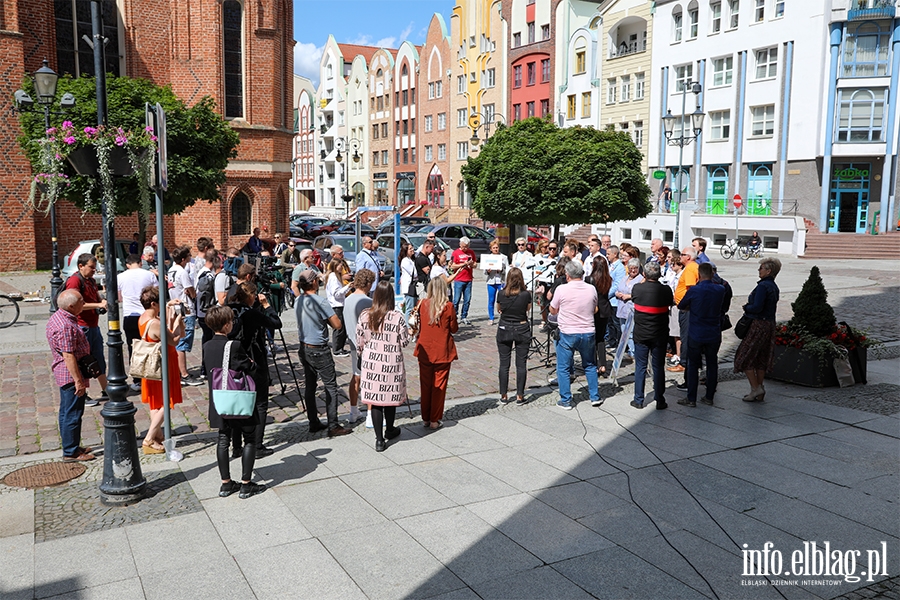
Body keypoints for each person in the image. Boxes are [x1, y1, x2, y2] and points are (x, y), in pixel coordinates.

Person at [202, 305, 266, 499]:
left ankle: (226, 484)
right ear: (227, 325)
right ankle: (246, 484)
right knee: (249, 438)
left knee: (223, 440)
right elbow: (249, 368)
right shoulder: (234, 346)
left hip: (218, 399)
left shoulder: (206, 346)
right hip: (237, 398)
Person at [227, 282, 283, 456]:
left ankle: (236, 447)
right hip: (253, 360)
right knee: (260, 402)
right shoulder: (251, 313)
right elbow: (276, 323)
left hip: (232, 360)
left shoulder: (228, 309)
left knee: (237, 403)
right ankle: (256, 445)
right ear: (252, 296)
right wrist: (266, 305)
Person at [295, 270, 351, 437]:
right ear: (313, 283)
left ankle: (313, 421)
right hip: (319, 348)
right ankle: (333, 424)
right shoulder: (321, 302)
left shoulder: (298, 300)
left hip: (304, 347)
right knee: (331, 386)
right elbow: (337, 325)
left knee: (310, 386)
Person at [357, 281, 412, 451]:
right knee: (388, 398)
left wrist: (362, 353)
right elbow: (404, 342)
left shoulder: (365, 315)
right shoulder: (396, 317)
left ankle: (379, 440)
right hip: (391, 362)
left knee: (376, 400)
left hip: (372, 362)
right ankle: (390, 429)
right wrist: (411, 331)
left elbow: (360, 340)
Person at [46, 289, 96, 462]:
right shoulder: (66, 326)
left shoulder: (59, 317)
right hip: (69, 374)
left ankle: (71, 444)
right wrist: (78, 381)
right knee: (73, 413)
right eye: (81, 301)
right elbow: (68, 355)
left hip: (64, 372)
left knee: (66, 412)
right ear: (71, 306)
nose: (84, 303)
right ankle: (71, 452)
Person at [138, 285, 185, 454]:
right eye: (160, 302)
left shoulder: (143, 317)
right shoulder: (156, 323)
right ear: (152, 304)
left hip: (151, 365)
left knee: (155, 402)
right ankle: (149, 438)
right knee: (166, 400)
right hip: (163, 363)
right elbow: (173, 341)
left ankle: (157, 436)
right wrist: (179, 324)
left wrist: (169, 312)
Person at [549, 261, 601, 410]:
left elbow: (553, 310)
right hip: (588, 331)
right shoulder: (591, 288)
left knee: (563, 367)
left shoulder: (561, 289)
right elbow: (595, 308)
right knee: (590, 365)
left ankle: (566, 400)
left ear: (567, 275)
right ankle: (595, 396)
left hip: (568, 332)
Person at [678, 262, 726, 407]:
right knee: (712, 364)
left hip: (697, 331)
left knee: (693, 364)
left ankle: (691, 398)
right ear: (712, 274)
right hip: (713, 331)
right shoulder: (720, 289)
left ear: (699, 274)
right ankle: (709, 396)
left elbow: (681, 305)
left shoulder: (695, 290)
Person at [734, 257, 782, 403]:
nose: (759, 270)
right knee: (761, 357)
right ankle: (759, 390)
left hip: (759, 324)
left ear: (769, 271)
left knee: (744, 356)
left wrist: (746, 307)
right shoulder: (773, 286)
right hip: (769, 324)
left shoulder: (763, 286)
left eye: (761, 268)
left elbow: (757, 307)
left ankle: (756, 388)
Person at [63, 253, 109, 405]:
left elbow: (96, 296)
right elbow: (75, 305)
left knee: (98, 358)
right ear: (81, 266)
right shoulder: (75, 281)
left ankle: (106, 389)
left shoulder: (90, 280)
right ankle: (83, 393)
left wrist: (101, 300)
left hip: (93, 326)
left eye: (95, 268)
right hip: (82, 326)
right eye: (91, 268)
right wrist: (98, 305)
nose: (94, 271)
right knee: (83, 361)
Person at [414, 278, 458, 428]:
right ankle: (434, 419)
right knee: (439, 386)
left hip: (425, 349)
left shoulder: (422, 304)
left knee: (425, 385)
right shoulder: (448, 306)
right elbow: (454, 328)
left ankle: (425, 418)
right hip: (442, 350)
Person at [630, 262, 674, 410]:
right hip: (660, 334)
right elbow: (671, 302)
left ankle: (638, 399)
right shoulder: (666, 290)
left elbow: (634, 298)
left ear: (645, 274)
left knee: (640, 366)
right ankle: (660, 399)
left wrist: (643, 279)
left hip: (641, 334)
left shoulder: (637, 288)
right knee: (658, 367)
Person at [118, 254, 158, 392]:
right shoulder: (149, 275)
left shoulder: (121, 277)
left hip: (130, 315)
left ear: (128, 264)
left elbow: (119, 297)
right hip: (147, 314)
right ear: (140, 262)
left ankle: (137, 379)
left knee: (133, 348)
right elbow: (156, 293)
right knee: (151, 345)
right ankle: (152, 374)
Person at [168, 246, 203, 386]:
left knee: (178, 340)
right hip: (186, 308)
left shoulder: (171, 270)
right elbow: (190, 290)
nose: (190, 258)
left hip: (176, 308)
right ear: (183, 259)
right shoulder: (182, 272)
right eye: (188, 256)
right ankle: (184, 374)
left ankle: (178, 370)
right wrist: (193, 293)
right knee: (182, 342)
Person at [495, 268, 531, 405]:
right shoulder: (526, 294)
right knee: (521, 363)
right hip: (521, 327)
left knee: (504, 363)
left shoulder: (502, 293)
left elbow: (499, 309)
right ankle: (520, 396)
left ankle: (503, 395)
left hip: (505, 327)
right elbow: (527, 309)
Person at [344, 269, 375, 423]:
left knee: (356, 377)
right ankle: (370, 413)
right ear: (368, 283)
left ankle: (353, 410)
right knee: (369, 378)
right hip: (367, 344)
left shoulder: (348, 299)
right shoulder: (367, 302)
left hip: (352, 342)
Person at [670, 247, 700, 380]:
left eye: (682, 255)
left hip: (686, 309)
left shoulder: (689, 269)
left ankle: (684, 363)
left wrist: (683, 305)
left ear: (688, 257)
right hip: (686, 308)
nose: (680, 257)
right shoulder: (692, 267)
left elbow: (690, 290)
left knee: (685, 336)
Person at [325, 245, 353, 356]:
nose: (342, 267)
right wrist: (348, 287)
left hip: (341, 304)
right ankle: (336, 349)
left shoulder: (336, 276)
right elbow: (336, 293)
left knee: (343, 328)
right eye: (340, 265)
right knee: (339, 328)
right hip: (336, 305)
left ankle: (340, 348)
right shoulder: (333, 277)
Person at [614, 258, 644, 360]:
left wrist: (629, 296)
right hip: (622, 308)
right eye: (631, 268)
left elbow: (640, 293)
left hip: (631, 309)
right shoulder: (624, 278)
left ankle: (633, 352)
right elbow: (618, 289)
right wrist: (617, 294)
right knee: (624, 332)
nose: (633, 270)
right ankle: (628, 350)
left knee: (631, 332)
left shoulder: (641, 279)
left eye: (635, 268)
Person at [588, 255, 613, 378]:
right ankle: (602, 364)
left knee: (592, 338)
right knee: (601, 338)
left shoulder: (590, 279)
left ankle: (594, 364)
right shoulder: (608, 278)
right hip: (605, 309)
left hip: (594, 310)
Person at [662, 249, 684, 367]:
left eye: (673, 264)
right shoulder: (674, 274)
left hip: (676, 305)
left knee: (677, 332)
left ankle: (679, 355)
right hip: (672, 305)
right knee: (674, 332)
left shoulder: (680, 276)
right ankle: (677, 353)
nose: (671, 266)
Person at [452, 236, 477, 325]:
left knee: (467, 299)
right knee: (456, 300)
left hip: (468, 278)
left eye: (466, 246)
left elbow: (475, 264)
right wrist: (463, 264)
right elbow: (452, 266)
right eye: (463, 246)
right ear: (460, 244)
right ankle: (454, 315)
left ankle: (464, 316)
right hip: (459, 279)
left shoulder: (471, 252)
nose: (465, 248)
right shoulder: (456, 253)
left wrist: (471, 264)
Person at [484, 239, 509, 326]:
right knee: (491, 300)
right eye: (494, 248)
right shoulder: (488, 257)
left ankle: (504, 317)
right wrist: (488, 271)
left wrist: (502, 270)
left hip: (501, 281)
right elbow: (484, 272)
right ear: (491, 249)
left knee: (503, 300)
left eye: (497, 247)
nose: (495, 249)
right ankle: (491, 318)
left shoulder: (504, 257)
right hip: (491, 281)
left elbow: (507, 270)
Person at [606, 246, 626, 350]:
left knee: (616, 323)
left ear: (615, 254)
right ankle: (612, 341)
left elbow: (617, 284)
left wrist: (607, 294)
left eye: (609, 254)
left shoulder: (619, 267)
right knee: (610, 323)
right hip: (609, 300)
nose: (607, 256)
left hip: (614, 300)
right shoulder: (611, 266)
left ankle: (619, 344)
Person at [399, 241, 418, 321]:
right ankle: (408, 326)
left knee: (413, 307)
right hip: (409, 287)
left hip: (413, 286)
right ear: (405, 251)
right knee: (409, 308)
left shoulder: (411, 259)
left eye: (412, 248)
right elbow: (415, 274)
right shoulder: (405, 261)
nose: (412, 250)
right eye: (410, 249)